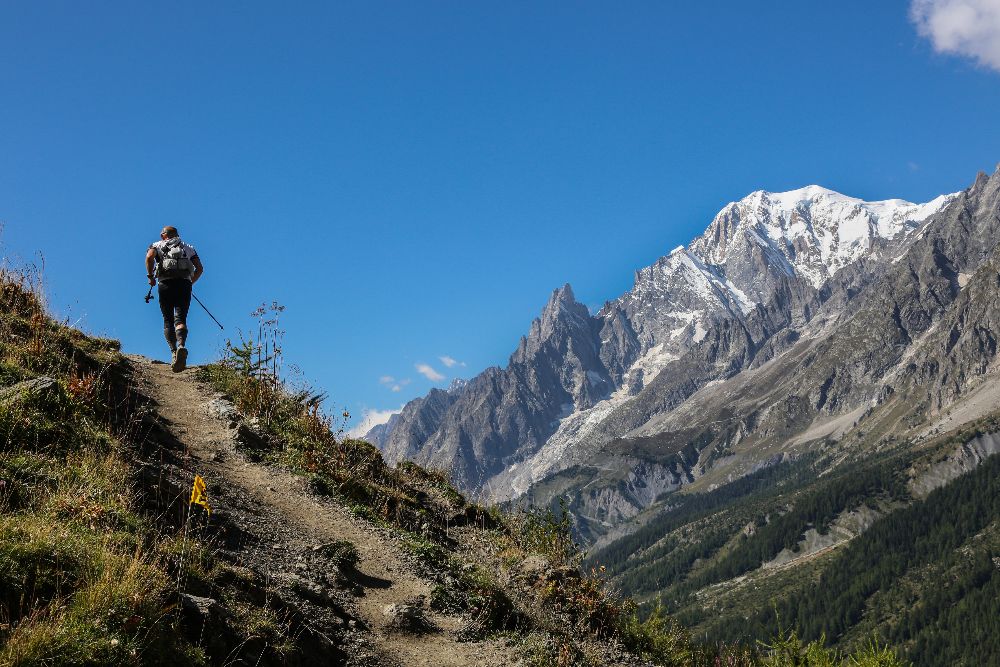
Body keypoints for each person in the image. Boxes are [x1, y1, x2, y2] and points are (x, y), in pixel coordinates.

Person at [145, 226, 204, 372]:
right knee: (181, 318)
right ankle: (181, 346)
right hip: (184, 284)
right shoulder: (188, 247)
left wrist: (151, 277)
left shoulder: (157, 245)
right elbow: (200, 268)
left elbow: (149, 257)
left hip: (165, 284)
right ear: (177, 235)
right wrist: (190, 282)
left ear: (164, 235)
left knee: (167, 319)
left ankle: (173, 353)